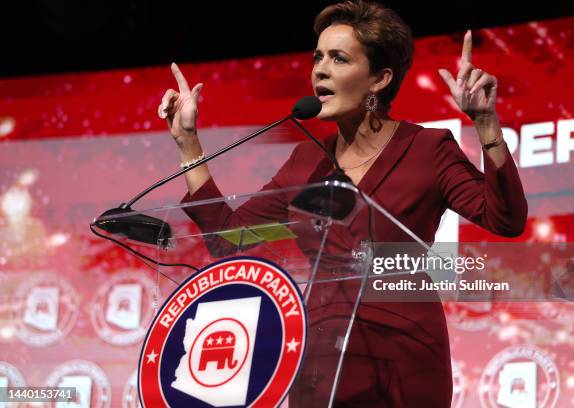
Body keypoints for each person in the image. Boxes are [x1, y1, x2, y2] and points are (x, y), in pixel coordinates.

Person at [157, 1, 527, 406]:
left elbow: (504, 218)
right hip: (322, 359)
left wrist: (487, 124)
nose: (319, 69)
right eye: (317, 57)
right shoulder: (305, 161)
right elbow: (230, 240)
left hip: (406, 359)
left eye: (338, 58)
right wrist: (188, 142)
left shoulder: (427, 149)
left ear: (379, 79)